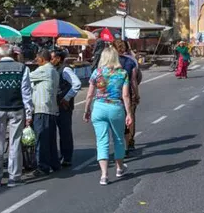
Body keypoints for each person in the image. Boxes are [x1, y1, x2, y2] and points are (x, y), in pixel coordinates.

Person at [0, 44, 33, 188]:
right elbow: (26, 94)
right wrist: (29, 113)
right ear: (13, 55)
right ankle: (14, 176)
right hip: (17, 109)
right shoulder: (23, 69)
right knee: (15, 143)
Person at [82, 47, 133, 186]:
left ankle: (104, 175)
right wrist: (129, 113)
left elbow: (89, 95)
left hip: (99, 108)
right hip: (116, 108)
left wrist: (87, 110)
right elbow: (126, 95)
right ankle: (119, 168)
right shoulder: (122, 73)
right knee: (118, 139)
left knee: (102, 141)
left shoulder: (97, 73)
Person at [29, 48, 60, 177]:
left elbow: (26, 77)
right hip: (51, 109)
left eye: (37, 58)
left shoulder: (44, 70)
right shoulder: (53, 70)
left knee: (41, 139)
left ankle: (43, 166)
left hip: (42, 109)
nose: (36, 61)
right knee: (50, 139)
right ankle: (54, 163)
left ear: (41, 59)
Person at [50, 49, 81, 167]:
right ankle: (57, 156)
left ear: (58, 59)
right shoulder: (52, 69)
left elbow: (76, 84)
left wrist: (66, 98)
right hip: (54, 105)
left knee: (65, 132)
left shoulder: (65, 69)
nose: (50, 60)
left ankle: (67, 157)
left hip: (63, 106)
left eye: (52, 58)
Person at [113, 40, 140, 152]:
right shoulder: (130, 62)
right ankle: (130, 142)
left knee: (116, 119)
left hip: (112, 95)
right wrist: (137, 94)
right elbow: (134, 80)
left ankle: (119, 144)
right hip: (128, 93)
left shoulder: (109, 62)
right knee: (130, 117)